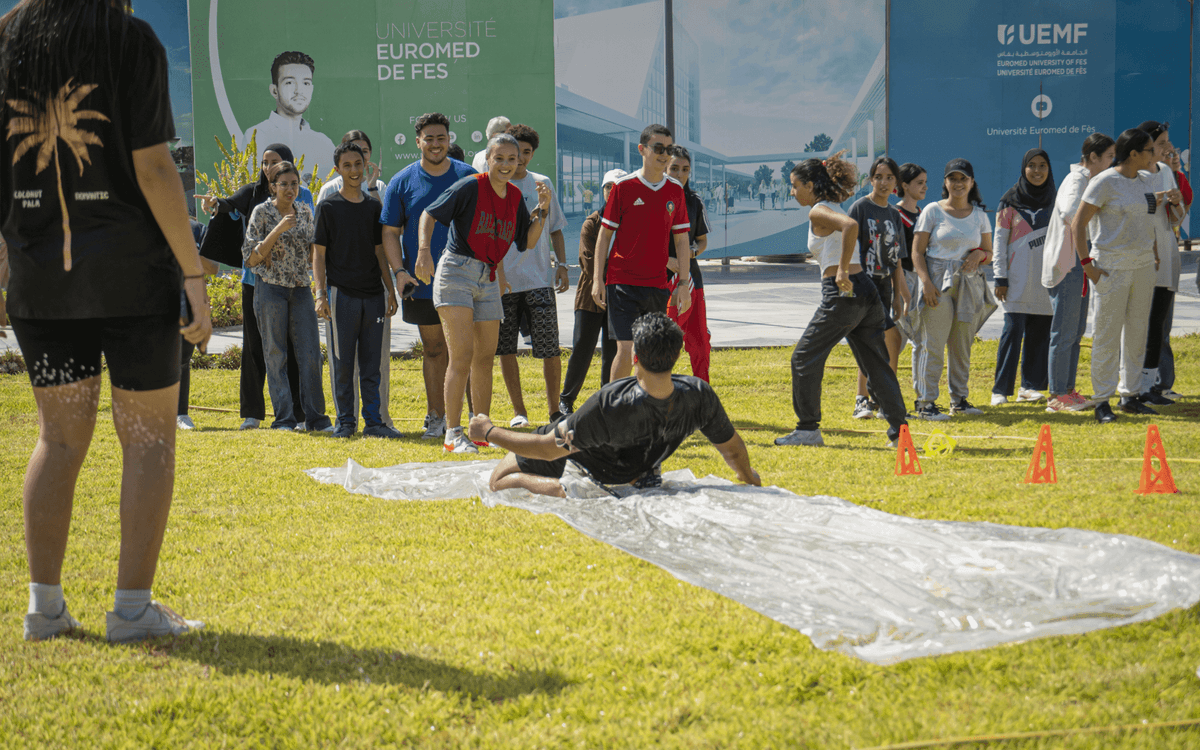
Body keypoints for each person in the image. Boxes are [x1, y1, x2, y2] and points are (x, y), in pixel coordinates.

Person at [1, 0, 210, 642]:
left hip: (41, 282)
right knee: (148, 442)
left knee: (58, 439)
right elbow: (153, 167)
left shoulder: (8, 38)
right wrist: (195, 275)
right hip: (133, 281)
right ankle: (131, 610)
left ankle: (44, 609)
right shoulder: (131, 39)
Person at [469, 313, 760, 498]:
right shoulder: (698, 395)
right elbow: (732, 448)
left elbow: (547, 448)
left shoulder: (611, 403)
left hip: (591, 470)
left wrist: (489, 430)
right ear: (677, 355)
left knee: (498, 480)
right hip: (632, 465)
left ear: (635, 356)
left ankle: (566, 490)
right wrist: (749, 479)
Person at [415, 133, 551, 453]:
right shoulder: (471, 186)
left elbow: (527, 241)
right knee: (461, 355)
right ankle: (452, 434)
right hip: (456, 272)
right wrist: (423, 250)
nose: (505, 164)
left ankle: (480, 431)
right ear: (488, 160)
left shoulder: (516, 198)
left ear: (519, 162)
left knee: (484, 358)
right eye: (499, 158)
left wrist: (542, 210)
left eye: (511, 159)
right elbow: (429, 214)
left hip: (488, 276)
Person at [775, 153, 909, 448]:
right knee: (877, 365)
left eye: (795, 186)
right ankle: (900, 433)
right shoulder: (832, 205)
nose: (792, 192)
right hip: (866, 292)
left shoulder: (819, 211)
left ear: (811, 185)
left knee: (803, 358)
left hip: (843, 293)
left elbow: (850, 226)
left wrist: (844, 269)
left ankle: (807, 429)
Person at [198, 144, 311, 430]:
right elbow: (228, 204)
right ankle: (252, 413)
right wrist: (214, 204)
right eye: (264, 162)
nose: (268, 167)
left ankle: (297, 414)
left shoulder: (303, 195)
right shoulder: (253, 194)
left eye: (275, 161)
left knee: (292, 349)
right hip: (256, 283)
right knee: (255, 349)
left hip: (294, 285)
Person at [380, 112, 477, 439]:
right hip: (422, 283)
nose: (436, 144)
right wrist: (399, 272)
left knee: (467, 351)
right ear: (418, 141)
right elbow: (390, 232)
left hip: (466, 281)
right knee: (435, 350)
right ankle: (436, 418)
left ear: (449, 140)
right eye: (429, 138)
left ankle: (477, 419)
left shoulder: (469, 177)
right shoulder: (402, 181)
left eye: (441, 138)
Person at [1071, 129, 1173, 423]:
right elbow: (1077, 225)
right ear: (1134, 154)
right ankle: (1102, 400)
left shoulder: (1146, 182)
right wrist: (1087, 264)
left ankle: (1130, 394)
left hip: (1142, 268)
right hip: (1110, 268)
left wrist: (1152, 252)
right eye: (1150, 149)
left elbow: (1147, 219)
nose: (1156, 154)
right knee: (1107, 334)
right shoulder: (1103, 182)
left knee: (1137, 332)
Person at [313, 143, 400, 438]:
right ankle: (345, 422)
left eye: (358, 164)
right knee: (342, 363)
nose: (353, 170)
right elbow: (319, 254)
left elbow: (380, 252)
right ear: (337, 169)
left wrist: (390, 290)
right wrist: (321, 293)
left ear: (366, 167)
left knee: (371, 364)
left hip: (374, 295)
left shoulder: (374, 207)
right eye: (347, 165)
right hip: (341, 296)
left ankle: (374, 423)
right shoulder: (327, 206)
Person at [592, 124, 692, 381]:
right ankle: (614, 408)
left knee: (651, 350)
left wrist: (683, 284)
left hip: (657, 284)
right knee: (625, 348)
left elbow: (682, 241)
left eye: (668, 149)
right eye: (658, 148)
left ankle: (647, 404)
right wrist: (597, 280)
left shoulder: (675, 190)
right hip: (622, 282)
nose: (664, 154)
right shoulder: (623, 187)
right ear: (642, 149)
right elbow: (605, 235)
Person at [242, 161, 332, 432]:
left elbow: (314, 252)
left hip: (301, 289)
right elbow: (250, 257)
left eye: (295, 184)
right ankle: (284, 419)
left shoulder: (305, 211)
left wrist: (319, 289)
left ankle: (316, 419)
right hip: (270, 288)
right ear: (273, 186)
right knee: (275, 354)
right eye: (284, 184)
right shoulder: (262, 212)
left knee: (310, 354)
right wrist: (278, 229)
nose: (291, 189)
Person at [494, 124, 569, 427]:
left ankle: (555, 411)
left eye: (525, 153)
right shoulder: (495, 185)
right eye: (514, 154)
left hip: (539, 281)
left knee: (550, 348)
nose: (520, 159)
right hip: (503, 283)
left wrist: (562, 265)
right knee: (505, 348)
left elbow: (555, 228)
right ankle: (519, 412)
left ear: (532, 153)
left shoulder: (542, 183)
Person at [1040, 133, 1115, 413]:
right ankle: (1056, 396)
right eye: (1108, 157)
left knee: (1075, 332)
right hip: (1068, 265)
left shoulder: (1089, 181)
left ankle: (1068, 390)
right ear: (1093, 158)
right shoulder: (1076, 181)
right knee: (1064, 332)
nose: (1111, 163)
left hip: (1080, 264)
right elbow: (1073, 215)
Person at [989, 149, 1056, 406]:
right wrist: (1000, 277)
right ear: (1023, 169)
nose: (1037, 171)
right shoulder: (1009, 202)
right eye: (1031, 166)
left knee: (1040, 335)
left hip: (1046, 281)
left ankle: (1031, 387)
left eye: (1042, 166)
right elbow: (999, 242)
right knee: (1012, 333)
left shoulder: (1057, 200)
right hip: (1015, 282)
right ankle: (1000, 391)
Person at [847, 156, 908, 419]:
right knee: (875, 341)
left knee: (888, 342)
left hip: (884, 286)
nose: (883, 183)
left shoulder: (894, 214)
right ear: (870, 179)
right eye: (878, 177)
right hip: (863, 284)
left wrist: (899, 295)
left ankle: (882, 399)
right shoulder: (860, 208)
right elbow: (848, 250)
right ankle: (864, 399)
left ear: (896, 182)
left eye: (889, 178)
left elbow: (896, 259)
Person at [560, 169, 623, 415]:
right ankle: (566, 400)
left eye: (617, 187)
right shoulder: (592, 222)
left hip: (619, 298)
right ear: (603, 190)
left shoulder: (631, 221)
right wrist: (614, 275)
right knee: (582, 350)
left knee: (612, 352)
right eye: (608, 187)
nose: (612, 192)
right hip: (590, 296)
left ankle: (606, 402)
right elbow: (587, 261)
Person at [1136, 121, 1185, 407]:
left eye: (1168, 141)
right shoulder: (1132, 175)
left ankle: (1151, 384)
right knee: (1139, 323)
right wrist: (1155, 200)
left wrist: (1176, 202)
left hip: (1166, 254)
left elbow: (1176, 218)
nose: (1168, 147)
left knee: (1158, 324)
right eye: (1163, 141)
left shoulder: (1166, 171)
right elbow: (1129, 210)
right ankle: (1133, 385)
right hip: (1141, 256)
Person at [243, 51, 335, 182]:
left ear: (312, 90)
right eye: (290, 83)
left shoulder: (324, 143)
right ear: (274, 90)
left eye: (306, 83)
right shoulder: (257, 136)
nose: (299, 91)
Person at [665, 146, 713, 382]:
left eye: (685, 169)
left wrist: (690, 254)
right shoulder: (653, 198)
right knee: (663, 339)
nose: (679, 174)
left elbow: (702, 241)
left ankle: (703, 391)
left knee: (699, 340)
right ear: (664, 167)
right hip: (659, 281)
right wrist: (666, 260)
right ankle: (658, 390)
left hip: (692, 279)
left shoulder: (694, 201)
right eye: (674, 168)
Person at [894, 163, 928, 355]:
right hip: (903, 277)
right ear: (905, 185)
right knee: (900, 332)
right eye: (919, 183)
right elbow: (895, 258)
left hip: (920, 279)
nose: (925, 187)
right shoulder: (895, 215)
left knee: (917, 334)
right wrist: (904, 293)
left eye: (925, 182)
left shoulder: (922, 214)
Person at [317, 130, 386, 204]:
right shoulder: (329, 189)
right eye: (355, 150)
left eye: (364, 151)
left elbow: (383, 215)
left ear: (370, 153)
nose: (360, 156)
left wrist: (372, 189)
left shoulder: (379, 187)